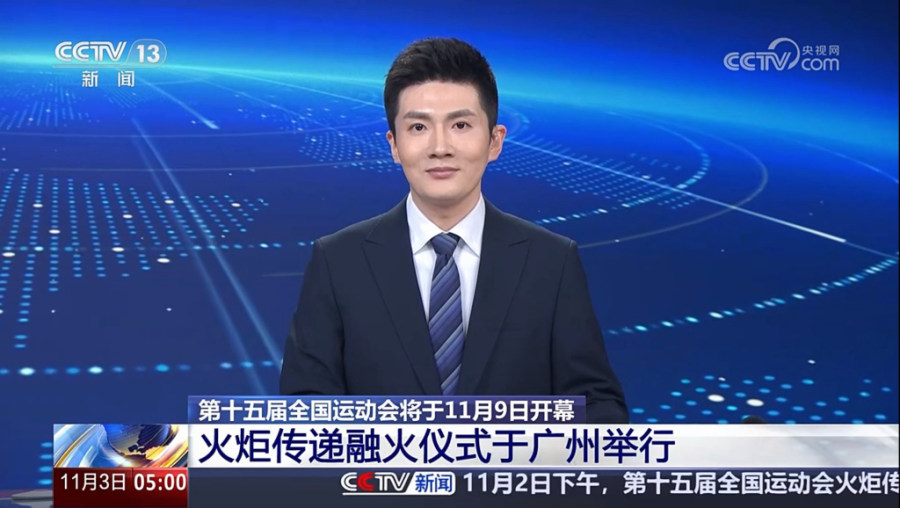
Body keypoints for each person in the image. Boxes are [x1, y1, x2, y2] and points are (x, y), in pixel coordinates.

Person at [280, 37, 628, 423]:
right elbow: (305, 410)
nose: (440, 147)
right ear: (394, 144)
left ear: (494, 141)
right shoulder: (338, 262)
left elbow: (597, 406)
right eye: (418, 127)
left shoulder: (551, 261)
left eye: (460, 125)